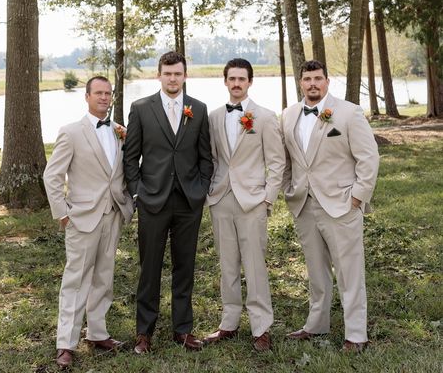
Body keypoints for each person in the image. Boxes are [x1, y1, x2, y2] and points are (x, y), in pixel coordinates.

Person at [281, 60, 379, 352]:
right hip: (304, 205)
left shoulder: (349, 113)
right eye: (307, 79)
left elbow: (369, 158)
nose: (313, 83)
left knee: (349, 272)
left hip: (341, 205)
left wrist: (358, 197)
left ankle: (357, 334)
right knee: (316, 270)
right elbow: (288, 160)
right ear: (300, 82)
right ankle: (316, 324)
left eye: (318, 78)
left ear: (327, 81)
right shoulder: (287, 116)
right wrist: (289, 189)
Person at [124, 51, 213, 354]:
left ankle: (183, 330)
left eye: (177, 73)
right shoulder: (140, 108)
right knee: (149, 268)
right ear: (158, 75)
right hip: (152, 200)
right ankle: (143, 333)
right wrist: (138, 192)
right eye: (167, 73)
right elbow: (130, 156)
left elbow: (206, 157)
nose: (172, 78)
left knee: (184, 267)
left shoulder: (198, 109)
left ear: (184, 75)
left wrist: (200, 189)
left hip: (189, 201)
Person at [43, 75, 134, 369]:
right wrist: (63, 213)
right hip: (81, 218)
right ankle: (65, 343)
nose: (104, 98)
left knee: (104, 278)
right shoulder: (71, 132)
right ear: (87, 96)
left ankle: (97, 333)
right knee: (76, 280)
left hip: (112, 214)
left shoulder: (120, 131)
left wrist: (127, 205)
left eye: (108, 93)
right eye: (98, 93)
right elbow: (52, 176)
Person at [203, 58, 286, 351]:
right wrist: (211, 191)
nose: (236, 83)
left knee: (254, 265)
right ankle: (229, 322)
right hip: (221, 199)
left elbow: (277, 162)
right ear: (225, 81)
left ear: (250, 82)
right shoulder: (213, 117)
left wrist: (268, 198)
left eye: (242, 79)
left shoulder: (264, 116)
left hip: (253, 201)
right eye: (232, 79)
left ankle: (261, 326)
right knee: (227, 264)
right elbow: (212, 158)